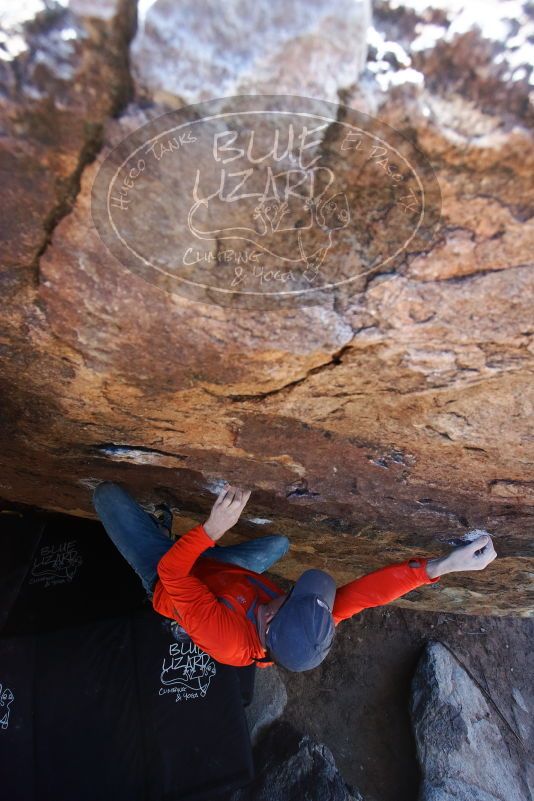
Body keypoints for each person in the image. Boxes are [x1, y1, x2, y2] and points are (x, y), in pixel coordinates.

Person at [93, 481, 497, 672]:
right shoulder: (302, 628)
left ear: (269, 620)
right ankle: (206, 551)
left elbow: (172, 572)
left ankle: (166, 537)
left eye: (292, 596)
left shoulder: (224, 637)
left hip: (171, 580)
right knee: (279, 545)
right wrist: (440, 568)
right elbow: (367, 596)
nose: (293, 590)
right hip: (226, 576)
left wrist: (210, 530)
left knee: (107, 496)